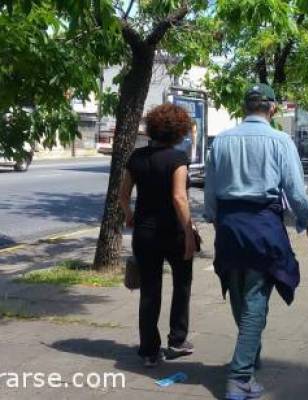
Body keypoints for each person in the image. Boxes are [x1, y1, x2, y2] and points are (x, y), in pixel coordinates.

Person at [204, 83, 308, 400]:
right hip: (263, 225)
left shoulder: (223, 140)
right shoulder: (280, 140)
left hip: (229, 225)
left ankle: (249, 355)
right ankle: (240, 376)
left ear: (245, 107)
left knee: (240, 292)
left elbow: (210, 190)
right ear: (272, 108)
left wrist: (216, 222)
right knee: (256, 298)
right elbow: (295, 191)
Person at [119, 104, 197, 368]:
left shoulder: (136, 157)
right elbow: (179, 197)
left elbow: (122, 194)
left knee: (150, 291)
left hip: (145, 233)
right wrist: (189, 232)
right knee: (182, 284)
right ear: (178, 131)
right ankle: (177, 340)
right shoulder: (178, 158)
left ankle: (149, 351)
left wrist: (129, 214)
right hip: (173, 232)